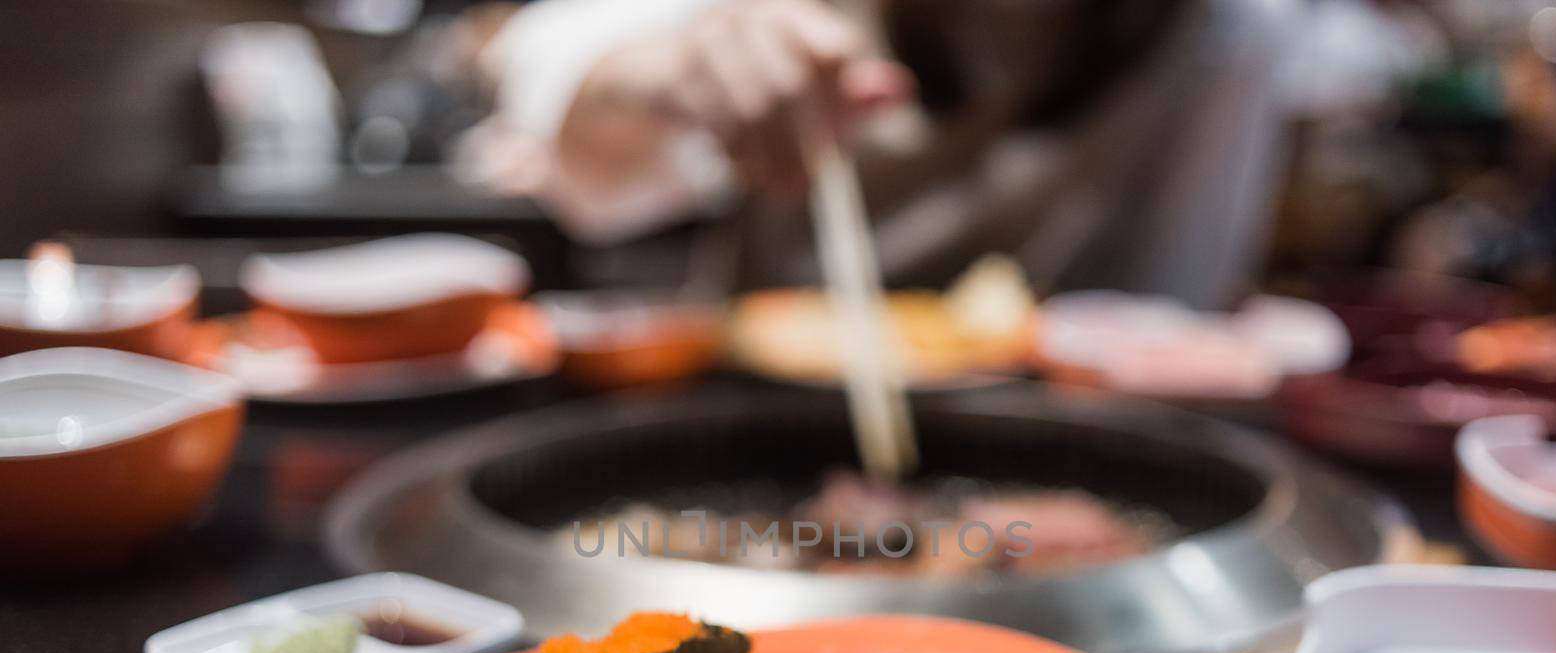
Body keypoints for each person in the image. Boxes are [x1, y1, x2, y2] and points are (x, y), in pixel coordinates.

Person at [481, 0, 1292, 306]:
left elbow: (1179, 296)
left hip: (1068, 458)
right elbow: (569, 103)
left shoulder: (1223, 31)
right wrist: (676, 71)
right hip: (757, 431)